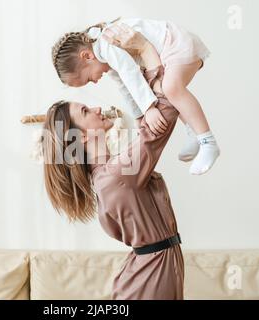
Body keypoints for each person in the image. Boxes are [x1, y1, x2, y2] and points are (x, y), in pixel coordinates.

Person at [43, 27, 183, 299]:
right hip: (151, 278)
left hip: (151, 272)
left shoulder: (110, 172)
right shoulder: (116, 175)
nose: (96, 108)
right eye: (85, 111)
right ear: (82, 138)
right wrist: (146, 52)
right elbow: (162, 118)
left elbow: (148, 124)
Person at [52, 17, 220, 175]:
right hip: (168, 50)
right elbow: (124, 87)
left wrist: (149, 107)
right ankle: (193, 131)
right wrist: (139, 115)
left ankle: (208, 141)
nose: (95, 82)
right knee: (171, 92)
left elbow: (131, 74)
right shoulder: (105, 58)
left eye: (89, 79)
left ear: (87, 56)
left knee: (170, 88)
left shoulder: (107, 43)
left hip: (174, 42)